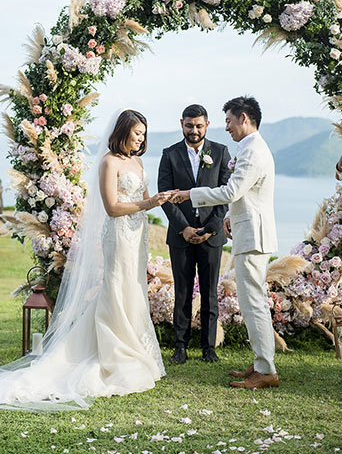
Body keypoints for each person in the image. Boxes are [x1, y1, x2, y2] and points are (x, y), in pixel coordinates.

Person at [0, 110, 164, 402]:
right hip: (118, 234)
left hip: (138, 234)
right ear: (123, 131)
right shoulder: (108, 162)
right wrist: (148, 202)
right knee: (116, 287)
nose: (140, 139)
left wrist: (159, 200)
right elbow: (112, 207)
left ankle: (136, 348)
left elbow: (143, 200)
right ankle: (113, 351)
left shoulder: (137, 162)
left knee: (134, 286)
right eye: (136, 132)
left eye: (143, 134)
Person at [158, 105, 232, 366]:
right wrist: (184, 228)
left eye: (199, 126)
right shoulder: (169, 154)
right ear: (182, 124)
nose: (194, 130)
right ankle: (180, 346)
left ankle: (209, 347)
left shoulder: (221, 152)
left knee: (211, 293)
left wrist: (211, 227)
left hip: (211, 236)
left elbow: (226, 195)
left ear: (207, 125)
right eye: (189, 125)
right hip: (181, 236)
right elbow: (165, 196)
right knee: (183, 292)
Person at [224, 96, 278, 392]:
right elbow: (247, 195)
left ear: (244, 118)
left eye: (229, 121)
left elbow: (233, 189)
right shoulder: (251, 147)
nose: (227, 128)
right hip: (251, 231)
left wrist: (189, 194)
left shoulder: (253, 151)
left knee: (253, 303)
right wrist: (230, 216)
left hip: (253, 237)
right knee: (252, 302)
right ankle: (261, 362)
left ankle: (265, 371)